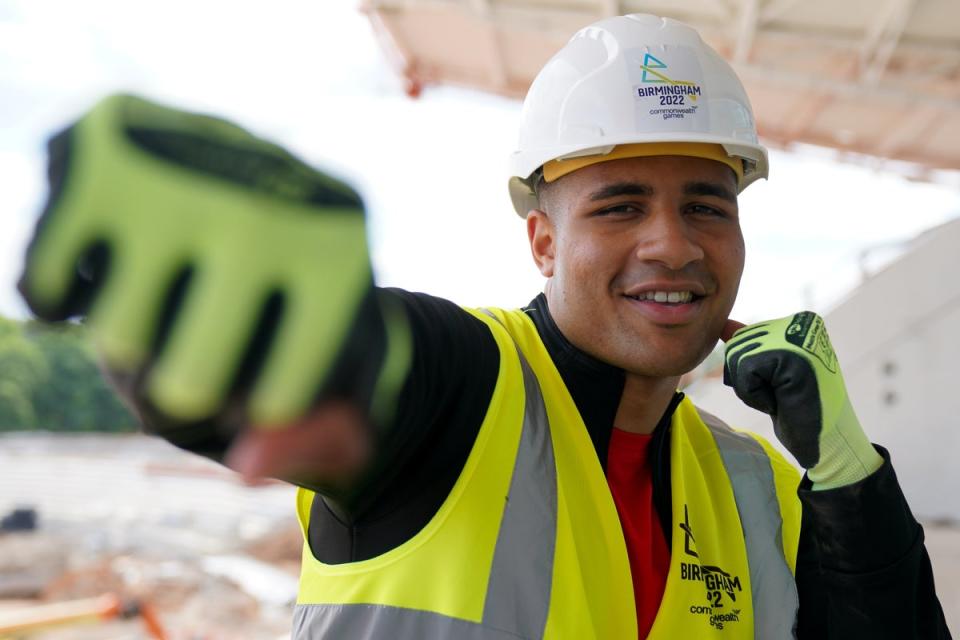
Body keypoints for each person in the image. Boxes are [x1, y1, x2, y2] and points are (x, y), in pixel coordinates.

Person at [17, 13, 950, 640]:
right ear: (542, 241)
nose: (671, 243)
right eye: (620, 207)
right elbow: (356, 370)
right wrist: (235, 335)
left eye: (706, 206)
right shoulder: (464, 391)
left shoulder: (757, 485)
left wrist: (847, 474)